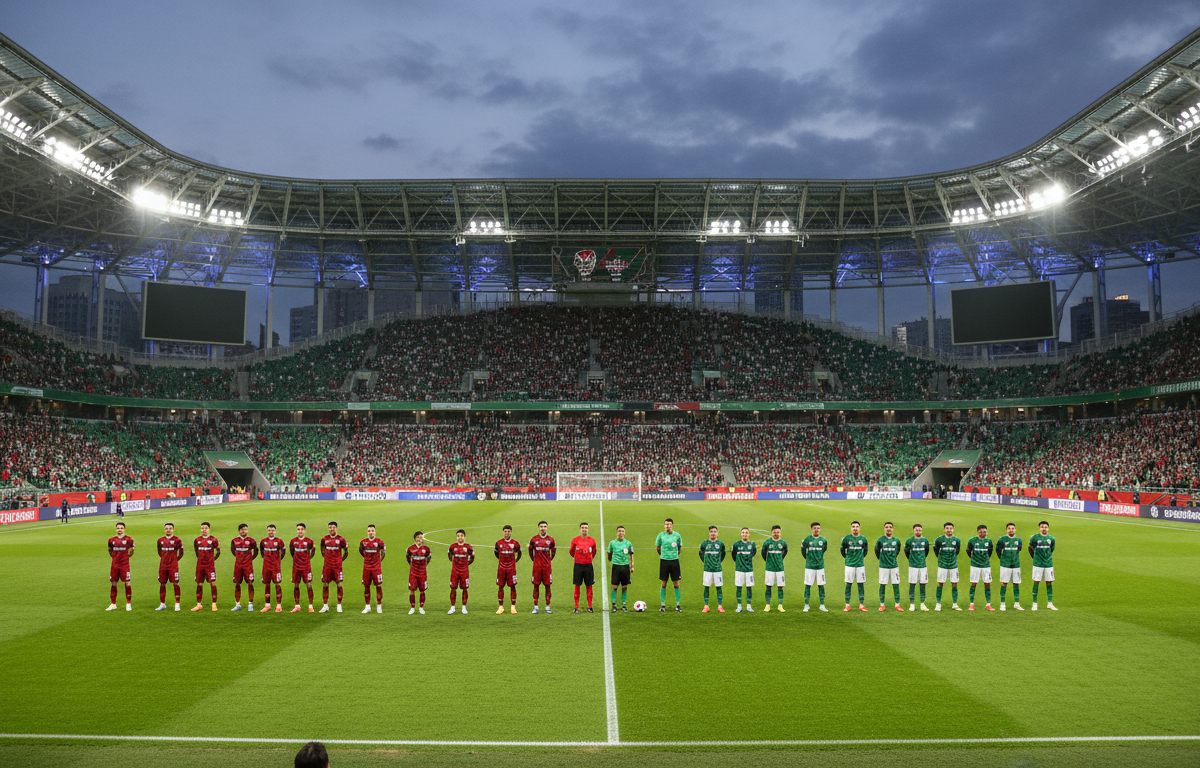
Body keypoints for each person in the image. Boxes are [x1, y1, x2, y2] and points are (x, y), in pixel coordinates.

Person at [320, 521, 349, 613]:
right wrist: (327, 559)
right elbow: (322, 550)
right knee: (325, 584)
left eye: (333, 527)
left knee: (339, 584)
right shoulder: (324, 539)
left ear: (336, 528)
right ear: (328, 528)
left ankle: (339, 605)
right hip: (327, 566)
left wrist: (340, 560)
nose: (332, 529)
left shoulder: (341, 540)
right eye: (330, 527)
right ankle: (325, 605)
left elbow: (346, 551)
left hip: (337, 567)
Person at [655, 518, 683, 612]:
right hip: (664, 561)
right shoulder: (661, 535)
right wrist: (663, 555)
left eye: (670, 524)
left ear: (672, 525)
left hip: (674, 561)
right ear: (664, 525)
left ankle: (678, 605)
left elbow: (679, 547)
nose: (668, 526)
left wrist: (674, 555)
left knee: (676, 584)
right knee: (664, 584)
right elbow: (658, 548)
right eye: (666, 524)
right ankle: (663, 605)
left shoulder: (677, 536)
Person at [1028, 520, 1057, 611]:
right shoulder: (1034, 538)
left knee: (1049, 582)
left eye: (1046, 527)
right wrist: (1035, 558)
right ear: (1039, 528)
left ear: (1048, 528)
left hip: (1048, 564)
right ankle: (1034, 604)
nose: (1044, 528)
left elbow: (1051, 549)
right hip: (1038, 564)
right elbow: (1030, 548)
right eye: (1042, 527)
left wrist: (1046, 558)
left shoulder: (1051, 539)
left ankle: (1050, 604)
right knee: (1036, 582)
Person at [191, 522, 220, 612]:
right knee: (199, 584)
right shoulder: (197, 540)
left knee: (212, 583)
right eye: (202, 528)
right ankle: (199, 604)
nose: (204, 530)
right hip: (200, 565)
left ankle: (214, 604)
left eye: (206, 528)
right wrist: (200, 559)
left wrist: (212, 560)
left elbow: (218, 552)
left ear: (209, 529)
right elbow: (196, 552)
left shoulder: (214, 540)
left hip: (210, 566)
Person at [933, 522, 962, 612]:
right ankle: (938, 604)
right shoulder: (939, 540)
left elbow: (957, 551)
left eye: (951, 528)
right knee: (940, 583)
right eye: (947, 528)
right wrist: (941, 559)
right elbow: (936, 550)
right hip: (942, 565)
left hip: (953, 565)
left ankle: (955, 604)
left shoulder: (957, 540)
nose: (949, 530)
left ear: (953, 529)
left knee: (954, 583)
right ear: (944, 529)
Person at [569, 522, 598, 613]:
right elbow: (571, 552)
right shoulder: (575, 540)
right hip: (578, 566)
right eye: (582, 528)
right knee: (577, 586)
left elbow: (594, 552)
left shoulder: (592, 541)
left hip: (588, 566)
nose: (584, 529)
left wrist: (588, 559)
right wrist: (579, 558)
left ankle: (590, 606)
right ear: (580, 529)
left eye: (586, 528)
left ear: (588, 529)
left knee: (589, 585)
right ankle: (576, 607)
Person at [875, 521, 903, 612]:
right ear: (884, 529)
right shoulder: (880, 540)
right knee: (882, 584)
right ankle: (882, 605)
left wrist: (892, 559)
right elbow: (877, 551)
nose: (888, 529)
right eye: (886, 527)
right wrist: (882, 560)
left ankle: (897, 604)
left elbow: (897, 551)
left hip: (894, 566)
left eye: (890, 527)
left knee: (896, 584)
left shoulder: (896, 541)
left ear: (892, 529)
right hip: (883, 566)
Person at [155, 522, 184, 611]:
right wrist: (164, 559)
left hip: (173, 566)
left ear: (173, 529)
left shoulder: (177, 540)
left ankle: (177, 604)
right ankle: (162, 604)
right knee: (162, 583)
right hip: (163, 566)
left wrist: (175, 560)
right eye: (166, 528)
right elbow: (159, 552)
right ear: (164, 529)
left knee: (175, 583)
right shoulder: (160, 540)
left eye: (170, 528)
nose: (168, 530)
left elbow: (181, 553)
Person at [230, 523, 259, 612]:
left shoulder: (251, 541)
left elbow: (256, 551)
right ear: (239, 531)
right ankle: (237, 604)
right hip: (238, 566)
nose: (244, 531)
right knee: (237, 584)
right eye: (242, 530)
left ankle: (250, 604)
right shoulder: (234, 540)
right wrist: (239, 558)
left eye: (245, 529)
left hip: (248, 566)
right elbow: (233, 550)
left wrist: (250, 559)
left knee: (250, 583)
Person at [841, 520, 868, 613]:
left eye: (857, 526)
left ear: (859, 528)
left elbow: (865, 551)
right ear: (851, 528)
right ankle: (847, 604)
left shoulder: (863, 539)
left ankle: (861, 604)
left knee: (861, 584)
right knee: (848, 584)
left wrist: (860, 559)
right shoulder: (846, 539)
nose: (855, 528)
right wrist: (848, 559)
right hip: (849, 565)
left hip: (860, 565)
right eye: (853, 527)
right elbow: (842, 550)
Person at [528, 521, 556, 614]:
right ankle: (536, 606)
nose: (543, 528)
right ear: (538, 528)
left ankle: (547, 606)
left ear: (547, 528)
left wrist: (548, 560)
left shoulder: (551, 540)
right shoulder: (534, 539)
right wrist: (534, 560)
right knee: (536, 585)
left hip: (547, 567)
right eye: (541, 526)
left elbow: (553, 552)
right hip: (537, 567)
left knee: (548, 586)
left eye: (544, 526)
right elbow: (530, 551)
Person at [107, 521, 135, 611]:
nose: (120, 530)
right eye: (118, 528)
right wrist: (115, 558)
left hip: (124, 565)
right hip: (115, 565)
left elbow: (131, 551)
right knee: (113, 583)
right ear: (116, 529)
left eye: (121, 528)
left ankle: (128, 603)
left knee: (127, 583)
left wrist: (126, 558)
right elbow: (110, 550)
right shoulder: (111, 540)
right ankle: (113, 604)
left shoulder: (129, 540)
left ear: (124, 529)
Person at [966, 524, 995, 612]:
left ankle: (988, 604)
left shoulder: (989, 541)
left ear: (987, 532)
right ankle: (971, 604)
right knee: (973, 583)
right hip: (975, 565)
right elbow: (968, 551)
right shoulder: (972, 540)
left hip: (986, 565)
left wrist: (985, 560)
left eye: (984, 532)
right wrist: (974, 559)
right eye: (981, 532)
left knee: (987, 583)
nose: (983, 533)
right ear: (978, 532)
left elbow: (990, 552)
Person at [996, 522, 1024, 611]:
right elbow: (998, 551)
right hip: (1005, 565)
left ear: (1015, 530)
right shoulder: (1002, 539)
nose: (1011, 530)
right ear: (1006, 530)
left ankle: (1017, 604)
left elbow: (1019, 549)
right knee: (1004, 583)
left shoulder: (1019, 540)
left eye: (1012, 528)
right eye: (1009, 528)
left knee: (1016, 583)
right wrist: (1003, 559)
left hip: (1016, 565)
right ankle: (1002, 604)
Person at [698, 525, 727, 613]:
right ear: (709, 533)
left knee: (719, 587)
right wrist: (706, 562)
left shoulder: (720, 544)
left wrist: (718, 562)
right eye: (711, 531)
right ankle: (706, 606)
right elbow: (701, 554)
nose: (713, 533)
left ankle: (720, 606)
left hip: (717, 569)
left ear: (717, 533)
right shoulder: (704, 544)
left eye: (714, 531)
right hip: (707, 569)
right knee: (706, 587)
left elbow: (723, 554)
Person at [494, 524, 522, 614]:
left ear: (511, 532)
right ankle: (500, 606)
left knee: (513, 586)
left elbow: (519, 553)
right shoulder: (498, 543)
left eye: (509, 531)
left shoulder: (515, 543)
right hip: (501, 568)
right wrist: (501, 560)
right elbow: (496, 553)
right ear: (503, 532)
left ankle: (513, 606)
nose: (507, 533)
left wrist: (515, 561)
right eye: (505, 531)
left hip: (511, 569)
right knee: (500, 586)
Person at [289, 523, 317, 613]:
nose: (300, 531)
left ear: (304, 530)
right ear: (296, 530)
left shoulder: (309, 541)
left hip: (306, 567)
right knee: (296, 585)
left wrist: (308, 559)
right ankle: (297, 605)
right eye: (298, 529)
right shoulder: (293, 541)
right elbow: (292, 552)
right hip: (296, 567)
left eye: (301, 529)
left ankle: (310, 605)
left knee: (309, 585)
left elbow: (313, 551)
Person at [801, 522, 828, 612]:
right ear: (812, 529)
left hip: (820, 566)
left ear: (820, 529)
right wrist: (809, 559)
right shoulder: (807, 540)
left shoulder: (823, 540)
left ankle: (822, 605)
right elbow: (803, 551)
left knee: (821, 585)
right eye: (814, 528)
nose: (816, 530)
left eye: (818, 528)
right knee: (808, 585)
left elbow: (824, 550)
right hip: (809, 566)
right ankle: (806, 605)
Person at [606, 525, 634, 612]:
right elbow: (609, 552)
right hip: (616, 567)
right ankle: (614, 605)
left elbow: (631, 555)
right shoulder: (612, 543)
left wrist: (632, 566)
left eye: (622, 531)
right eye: (619, 531)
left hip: (625, 567)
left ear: (624, 533)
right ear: (617, 533)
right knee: (614, 586)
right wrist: (610, 559)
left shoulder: (628, 543)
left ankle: (624, 605)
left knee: (624, 587)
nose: (621, 533)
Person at [359, 524, 386, 614]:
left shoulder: (379, 542)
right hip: (366, 568)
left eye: (372, 531)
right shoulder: (363, 542)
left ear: (375, 532)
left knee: (378, 585)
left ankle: (379, 605)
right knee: (366, 586)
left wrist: (378, 561)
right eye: (369, 531)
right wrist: (367, 559)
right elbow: (361, 551)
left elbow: (383, 552)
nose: (371, 533)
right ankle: (367, 606)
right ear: (367, 532)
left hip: (376, 568)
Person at [259, 524, 286, 612]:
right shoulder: (263, 541)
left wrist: (278, 560)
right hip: (266, 567)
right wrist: (266, 559)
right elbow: (262, 551)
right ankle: (267, 605)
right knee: (267, 584)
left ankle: (279, 605)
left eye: (273, 530)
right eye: (269, 530)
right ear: (267, 531)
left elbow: (283, 552)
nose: (271, 532)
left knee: (277, 584)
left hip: (276, 567)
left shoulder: (279, 541)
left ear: (275, 531)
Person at [447, 529, 474, 614]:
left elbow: (472, 557)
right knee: (453, 588)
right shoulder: (452, 546)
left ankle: (464, 607)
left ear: (464, 537)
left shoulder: (468, 547)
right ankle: (452, 607)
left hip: (464, 571)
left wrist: (466, 564)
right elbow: (450, 555)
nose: (460, 537)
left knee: (465, 588)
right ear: (456, 537)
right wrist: (455, 564)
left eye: (461, 536)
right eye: (458, 536)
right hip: (455, 571)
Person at [905, 523, 930, 611]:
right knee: (912, 584)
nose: (918, 532)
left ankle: (922, 604)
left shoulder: (925, 540)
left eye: (919, 530)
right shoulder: (909, 541)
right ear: (913, 531)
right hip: (913, 566)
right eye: (916, 530)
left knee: (923, 585)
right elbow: (906, 552)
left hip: (923, 566)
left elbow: (926, 552)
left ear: (922, 531)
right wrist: (912, 560)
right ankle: (912, 604)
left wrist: (921, 559)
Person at [762, 525, 787, 612]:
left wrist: (779, 560)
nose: (776, 534)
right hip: (769, 568)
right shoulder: (767, 542)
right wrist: (769, 561)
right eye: (774, 532)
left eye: (778, 532)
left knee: (780, 587)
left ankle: (780, 605)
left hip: (780, 568)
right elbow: (763, 554)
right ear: (771, 533)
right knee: (768, 586)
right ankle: (767, 605)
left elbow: (785, 552)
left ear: (780, 533)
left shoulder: (783, 543)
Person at [730, 527, 756, 613]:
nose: (745, 534)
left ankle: (749, 606)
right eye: (743, 532)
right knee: (739, 587)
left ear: (749, 534)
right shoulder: (736, 545)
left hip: (749, 570)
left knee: (749, 588)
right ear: (741, 534)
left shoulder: (752, 545)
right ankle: (739, 606)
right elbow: (733, 555)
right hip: (739, 570)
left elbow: (753, 553)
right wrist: (739, 562)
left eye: (746, 533)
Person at [406, 531, 432, 614]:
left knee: (422, 590)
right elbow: (408, 558)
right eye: (418, 537)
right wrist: (412, 566)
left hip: (422, 574)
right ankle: (412, 607)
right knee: (412, 590)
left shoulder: (426, 549)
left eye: (421, 538)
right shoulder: (410, 549)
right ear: (415, 538)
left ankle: (421, 607)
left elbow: (428, 558)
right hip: (413, 574)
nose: (419, 539)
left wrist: (423, 566)